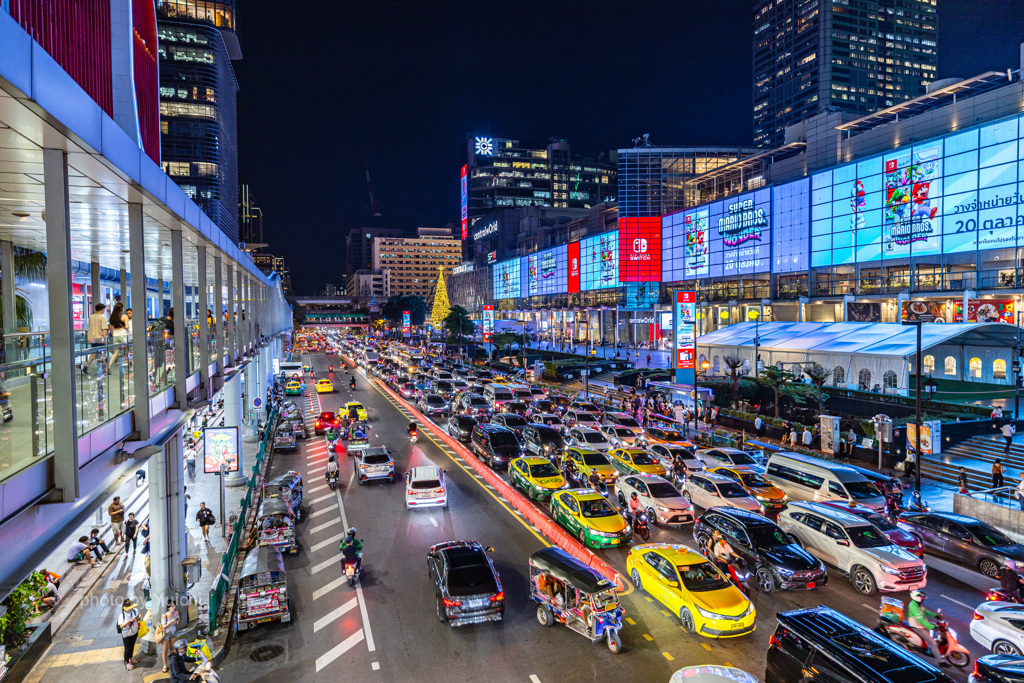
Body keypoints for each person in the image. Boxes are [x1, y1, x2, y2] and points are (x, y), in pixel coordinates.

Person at [907, 590, 948, 666]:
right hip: (917, 626)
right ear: (917, 598)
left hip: (921, 624)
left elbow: (926, 611)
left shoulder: (917, 604)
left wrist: (936, 615)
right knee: (933, 643)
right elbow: (921, 620)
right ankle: (941, 662)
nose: (923, 600)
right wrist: (932, 627)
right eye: (922, 598)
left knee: (936, 631)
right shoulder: (914, 606)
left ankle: (933, 650)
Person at [83, 303, 108, 374]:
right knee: (103, 352)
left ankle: (87, 365)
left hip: (92, 337)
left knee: (94, 352)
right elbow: (104, 329)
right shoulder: (102, 317)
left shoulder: (91, 317)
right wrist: (105, 339)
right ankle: (104, 368)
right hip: (99, 337)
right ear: (103, 309)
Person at [118, 599, 141, 670]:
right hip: (127, 634)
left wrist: (138, 618)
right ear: (125, 608)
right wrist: (128, 621)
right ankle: (127, 663)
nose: (130, 609)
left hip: (134, 632)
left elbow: (139, 619)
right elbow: (121, 626)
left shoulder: (134, 611)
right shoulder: (122, 615)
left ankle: (131, 660)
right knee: (127, 649)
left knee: (132, 647)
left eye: (131, 607)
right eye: (129, 608)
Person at [160, 598, 179, 673]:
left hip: (174, 632)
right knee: (165, 650)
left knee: (172, 648)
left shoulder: (176, 613)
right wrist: (171, 621)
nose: (174, 608)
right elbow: (163, 626)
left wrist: (177, 620)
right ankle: (165, 665)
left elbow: (177, 623)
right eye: (172, 606)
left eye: (174, 606)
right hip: (166, 634)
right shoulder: (165, 616)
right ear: (168, 608)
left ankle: (172, 663)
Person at [107, 302, 129, 369]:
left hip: (115, 333)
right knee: (127, 347)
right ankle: (125, 360)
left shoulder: (112, 317)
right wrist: (125, 327)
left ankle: (109, 366)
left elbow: (111, 328)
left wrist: (114, 334)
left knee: (115, 352)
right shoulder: (124, 316)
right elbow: (127, 327)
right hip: (122, 333)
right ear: (121, 309)